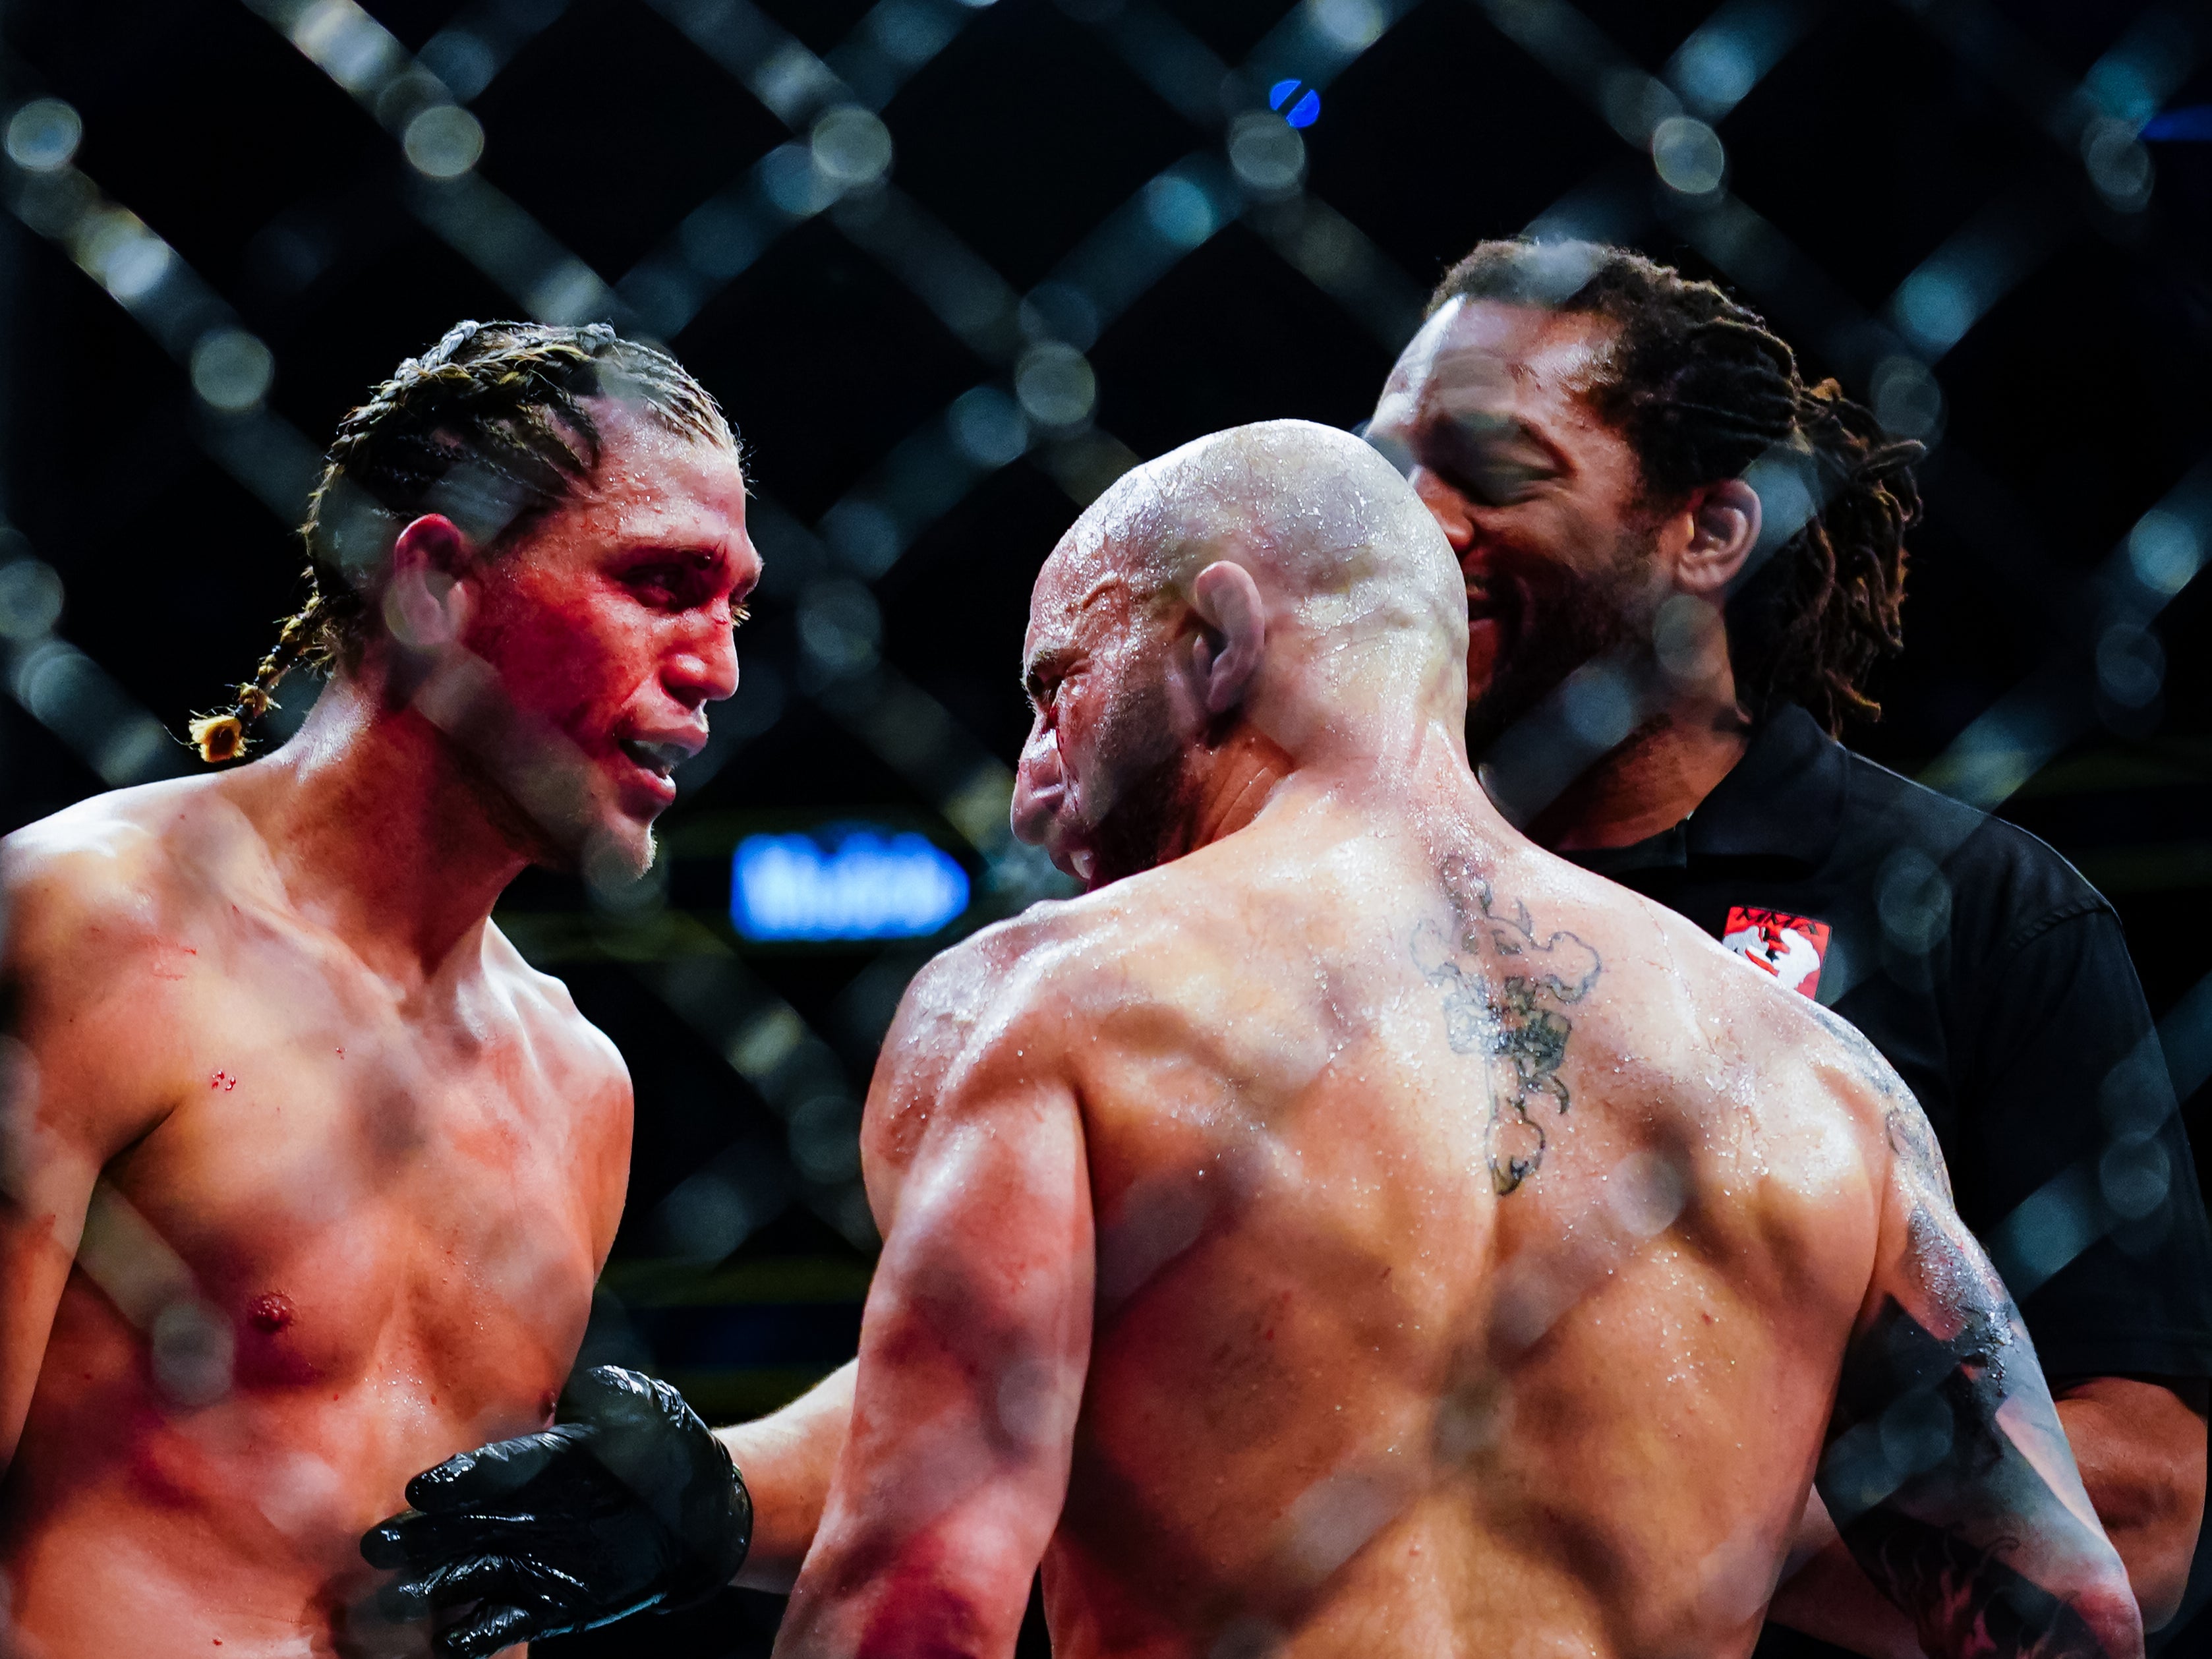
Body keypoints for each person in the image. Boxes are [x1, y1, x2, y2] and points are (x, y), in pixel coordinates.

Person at [367, 422, 2143, 1659]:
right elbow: (2068, 1608)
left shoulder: (1057, 998)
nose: (1028, 780)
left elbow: (925, 1588)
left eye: (1057, 685)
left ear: (1214, 637)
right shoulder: (1810, 1079)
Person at [1356, 240, 2212, 1657]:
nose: (1412, 524)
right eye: (1388, 472)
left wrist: (1591, 1497)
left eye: (1490, 467)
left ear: (1706, 533)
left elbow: (2140, 1507)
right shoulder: (1321, 912)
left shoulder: (1972, 910)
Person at [0, 320, 757, 1656]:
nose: (716, 667)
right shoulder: (96, 925)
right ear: (433, 588)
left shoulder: (577, 1082)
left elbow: (482, 1602)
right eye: (660, 583)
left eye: (732, 603)